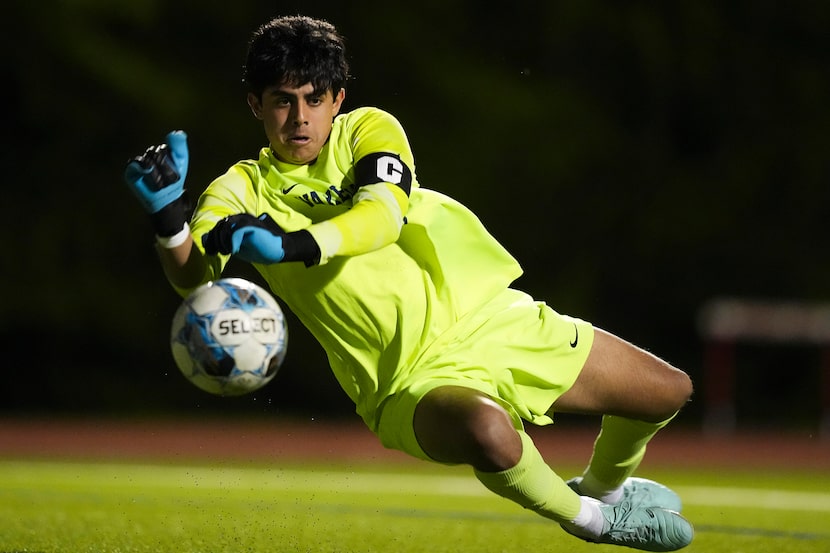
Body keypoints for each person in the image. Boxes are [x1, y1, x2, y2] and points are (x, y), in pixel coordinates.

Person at [124, 14, 694, 551]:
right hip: (404, 381)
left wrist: (297, 243)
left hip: (489, 319)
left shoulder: (369, 131)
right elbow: (195, 280)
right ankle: (593, 522)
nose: (300, 117)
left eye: (314, 99)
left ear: (336, 100)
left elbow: (382, 215)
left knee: (667, 391)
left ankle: (604, 490)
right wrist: (167, 219)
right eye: (282, 101)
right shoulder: (240, 189)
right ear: (256, 105)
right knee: (488, 434)